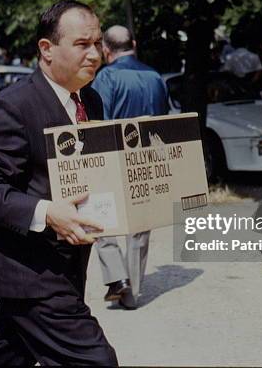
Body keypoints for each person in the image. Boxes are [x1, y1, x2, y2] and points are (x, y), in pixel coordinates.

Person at [0, 0, 118, 366]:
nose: (95, 54)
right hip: (31, 274)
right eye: (82, 44)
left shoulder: (90, 100)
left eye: (97, 44)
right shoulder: (12, 106)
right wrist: (48, 213)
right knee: (95, 361)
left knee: (7, 354)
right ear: (46, 50)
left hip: (66, 267)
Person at [91, 25, 169, 310]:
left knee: (101, 221)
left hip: (114, 159)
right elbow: (164, 122)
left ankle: (117, 278)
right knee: (139, 228)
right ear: (134, 44)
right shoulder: (156, 77)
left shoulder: (107, 77)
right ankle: (132, 293)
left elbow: (99, 124)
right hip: (148, 160)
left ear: (105, 50)